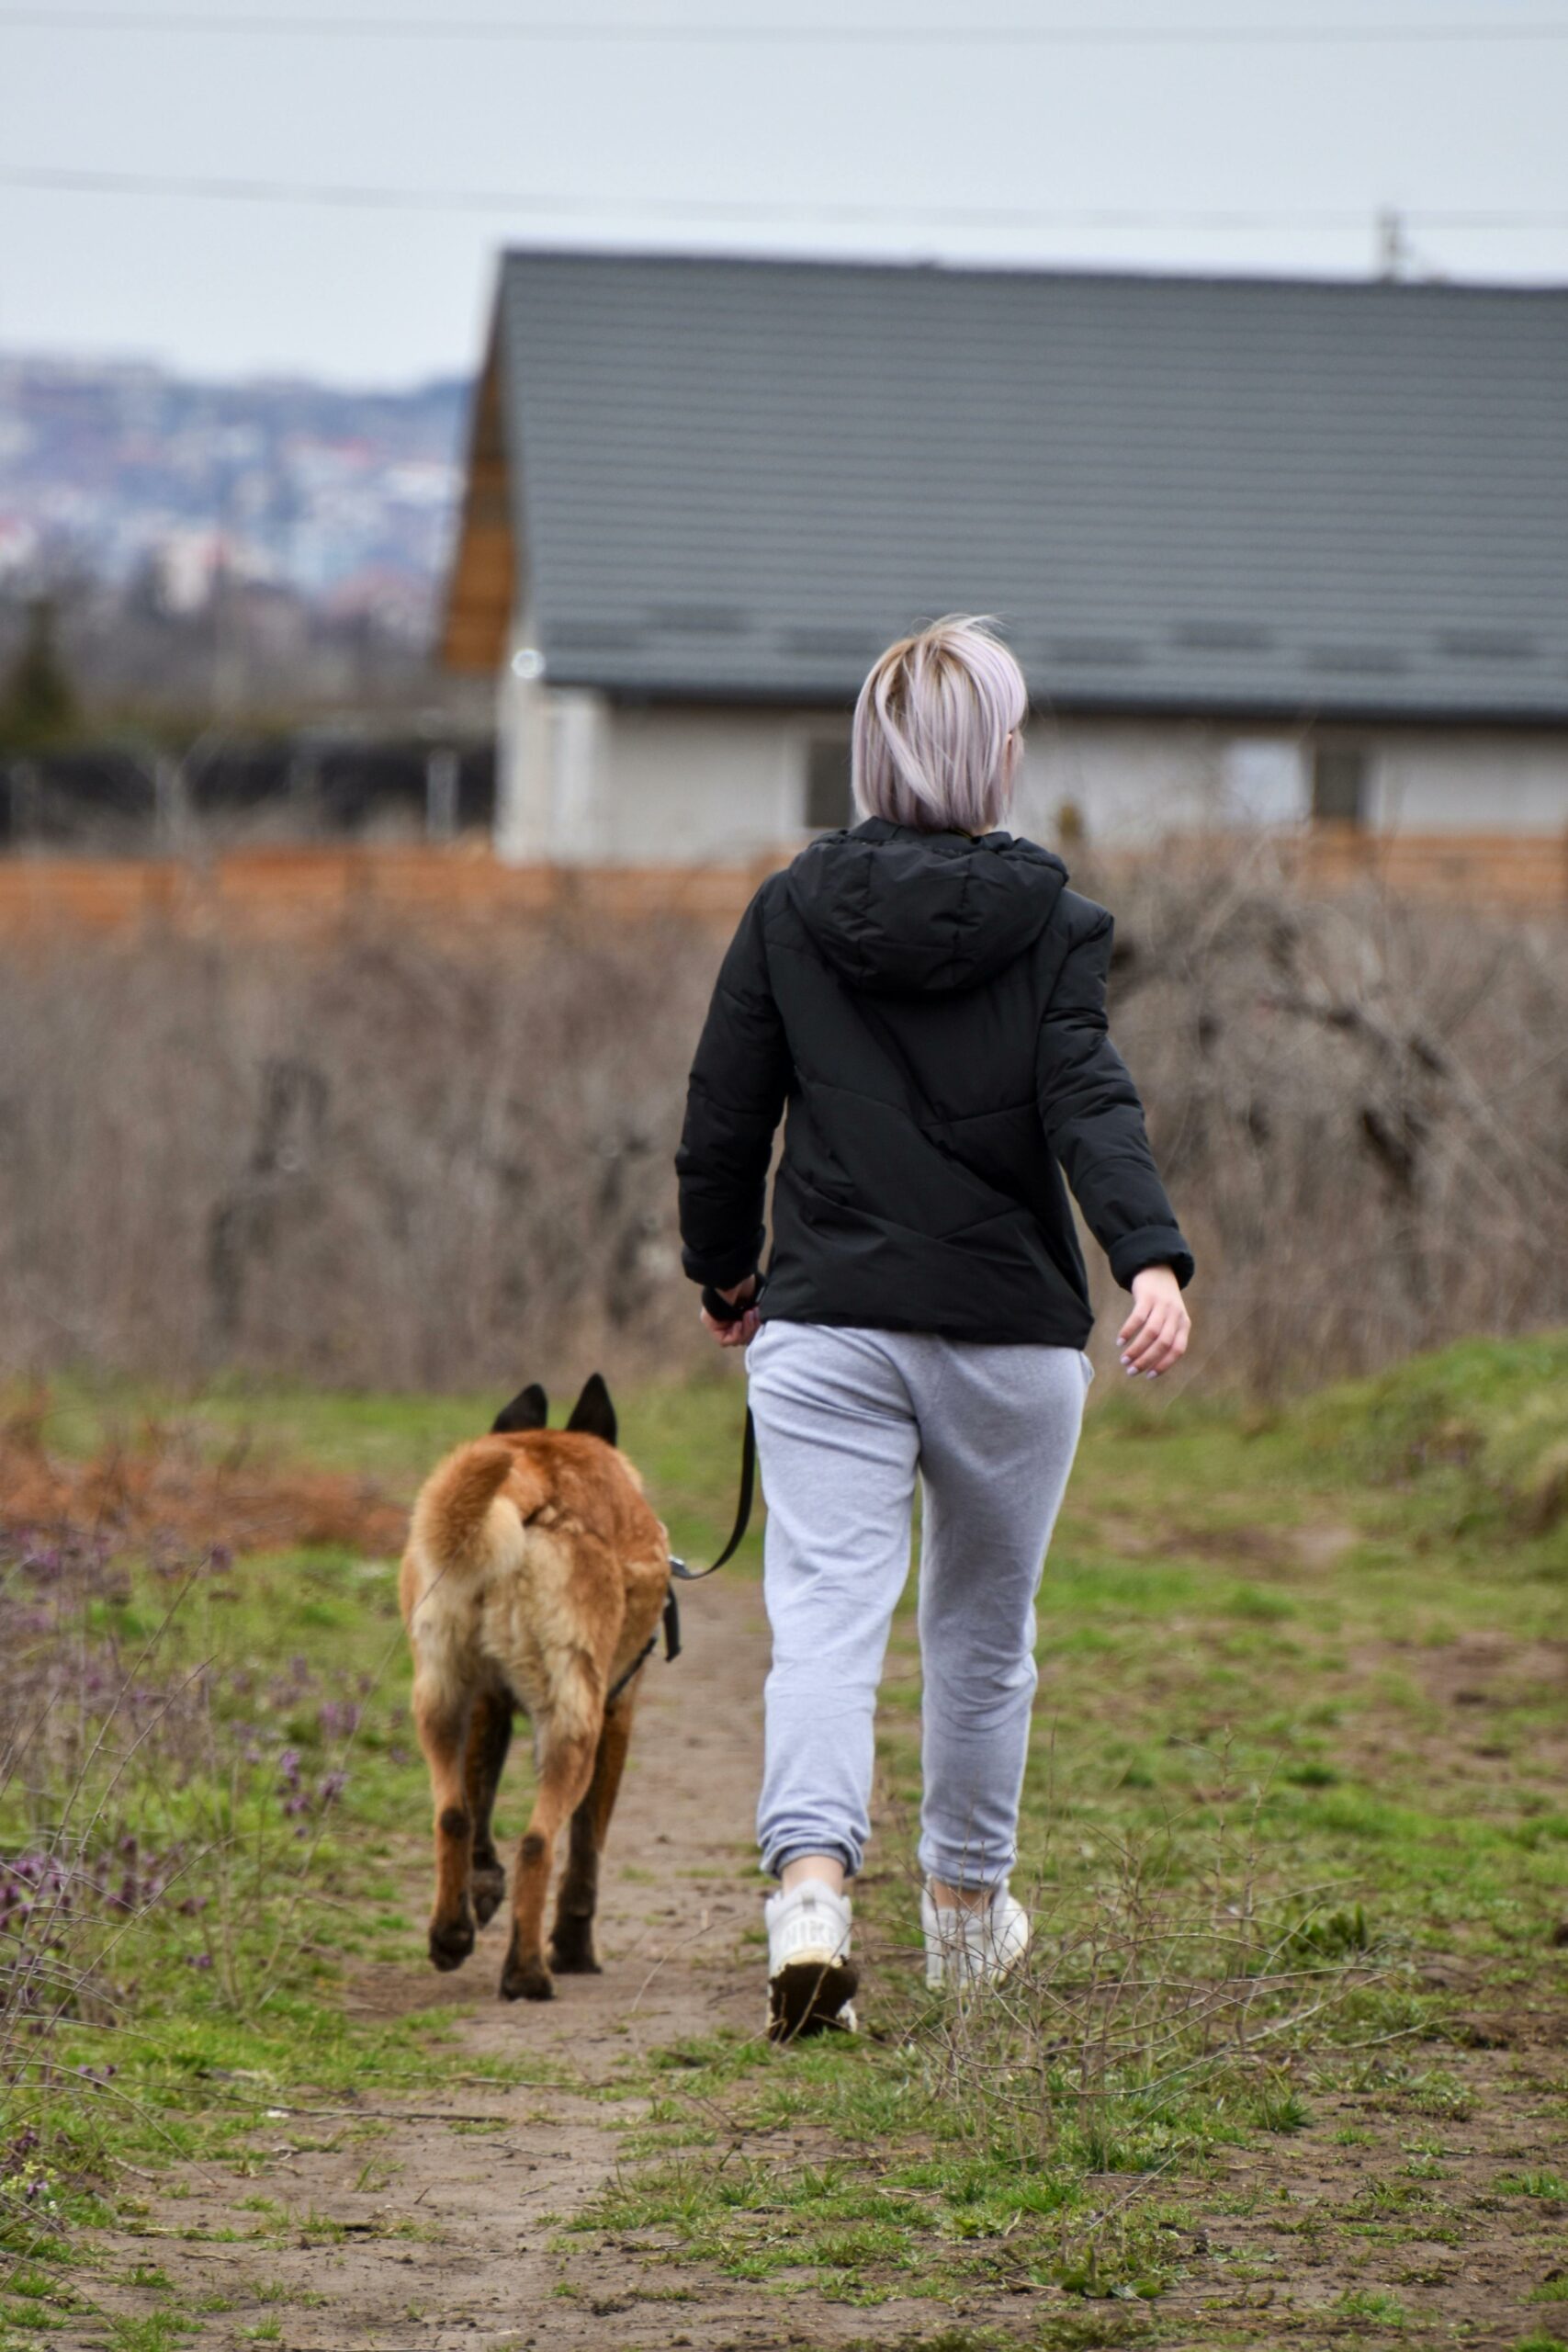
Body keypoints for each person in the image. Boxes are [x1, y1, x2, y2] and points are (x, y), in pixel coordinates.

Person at [675, 616, 1193, 2040]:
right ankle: (965, 1924)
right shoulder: (1058, 926)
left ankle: (811, 1899)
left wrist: (726, 1274)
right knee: (983, 1638)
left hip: (829, 1324)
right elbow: (1093, 1103)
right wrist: (1147, 1261)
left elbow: (724, 1116)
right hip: (1009, 1338)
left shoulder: (789, 910)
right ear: (999, 758)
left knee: (827, 1624)